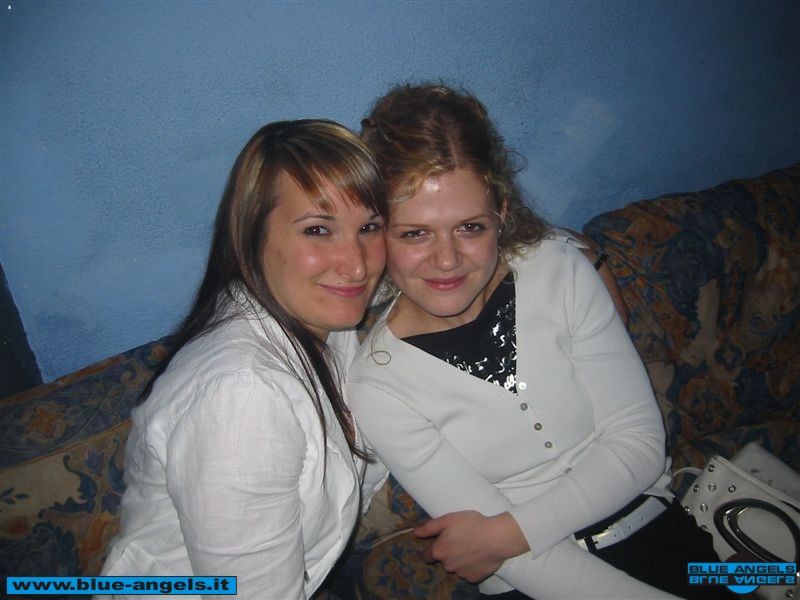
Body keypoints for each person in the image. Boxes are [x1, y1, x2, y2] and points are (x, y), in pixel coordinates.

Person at [346, 84, 730, 599]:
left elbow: (639, 442)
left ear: (502, 212)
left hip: (663, 538)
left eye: (470, 227)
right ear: (377, 233)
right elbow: (527, 566)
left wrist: (501, 535)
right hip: (536, 580)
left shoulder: (559, 268)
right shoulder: (378, 384)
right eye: (414, 233)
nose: (447, 260)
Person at [100, 119, 389, 599]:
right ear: (251, 237)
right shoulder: (243, 398)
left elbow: (431, 267)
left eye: (369, 228)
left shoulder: (314, 314)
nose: (357, 264)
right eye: (318, 230)